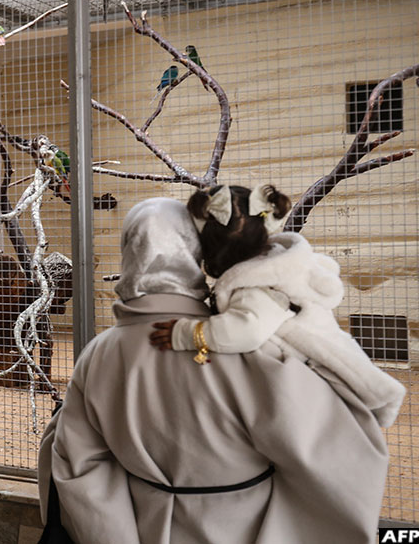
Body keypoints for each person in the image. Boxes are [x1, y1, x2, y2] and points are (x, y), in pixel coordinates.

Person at [38, 197, 390, 544]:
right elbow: (335, 452)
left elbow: (78, 465)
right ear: (195, 252)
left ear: (128, 252)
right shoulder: (247, 346)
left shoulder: (97, 355)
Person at [151, 184, 404, 427]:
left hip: (312, 382)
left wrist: (187, 333)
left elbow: (245, 332)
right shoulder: (274, 266)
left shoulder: (256, 288)